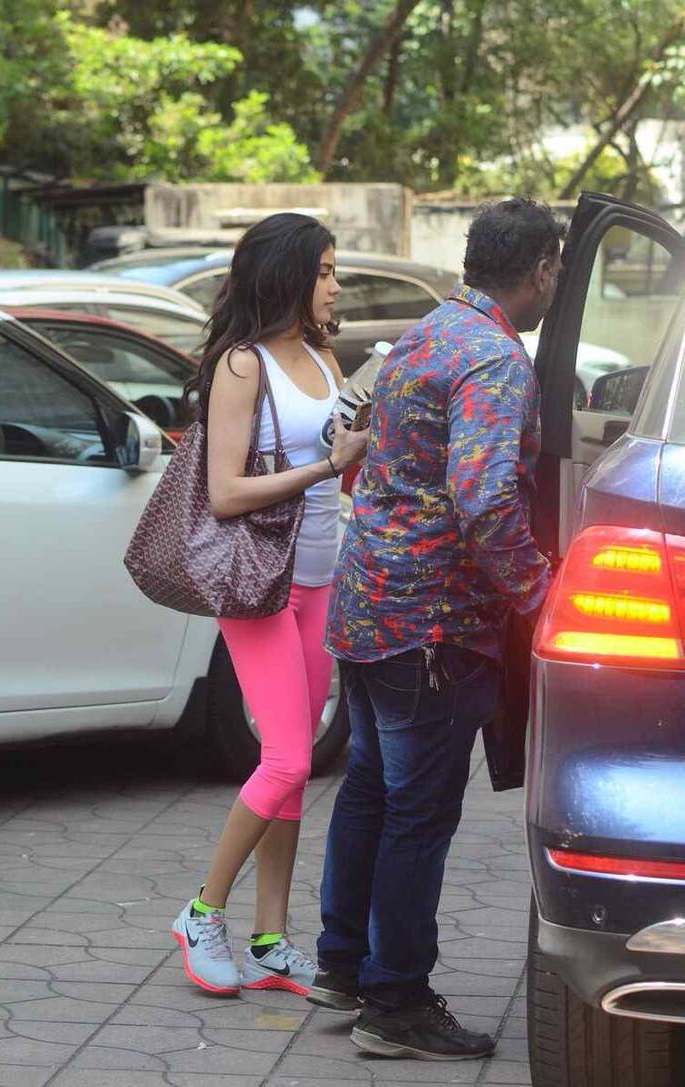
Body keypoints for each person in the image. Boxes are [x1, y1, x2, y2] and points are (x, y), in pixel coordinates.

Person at [308, 198, 565, 1059]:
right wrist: (539, 593)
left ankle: (343, 965)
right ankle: (396, 1002)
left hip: (367, 603)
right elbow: (485, 498)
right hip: (431, 625)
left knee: (371, 788)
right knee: (416, 812)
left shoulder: (426, 333)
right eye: (557, 269)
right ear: (542, 271)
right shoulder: (495, 357)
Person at [171, 213, 368, 997]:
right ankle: (200, 912)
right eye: (323, 271)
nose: (335, 285)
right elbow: (225, 492)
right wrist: (324, 467)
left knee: (290, 763)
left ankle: (270, 940)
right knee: (287, 757)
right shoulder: (242, 365)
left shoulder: (322, 355)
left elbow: (338, 458)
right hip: (259, 582)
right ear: (287, 274)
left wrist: (361, 445)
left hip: (321, 578)